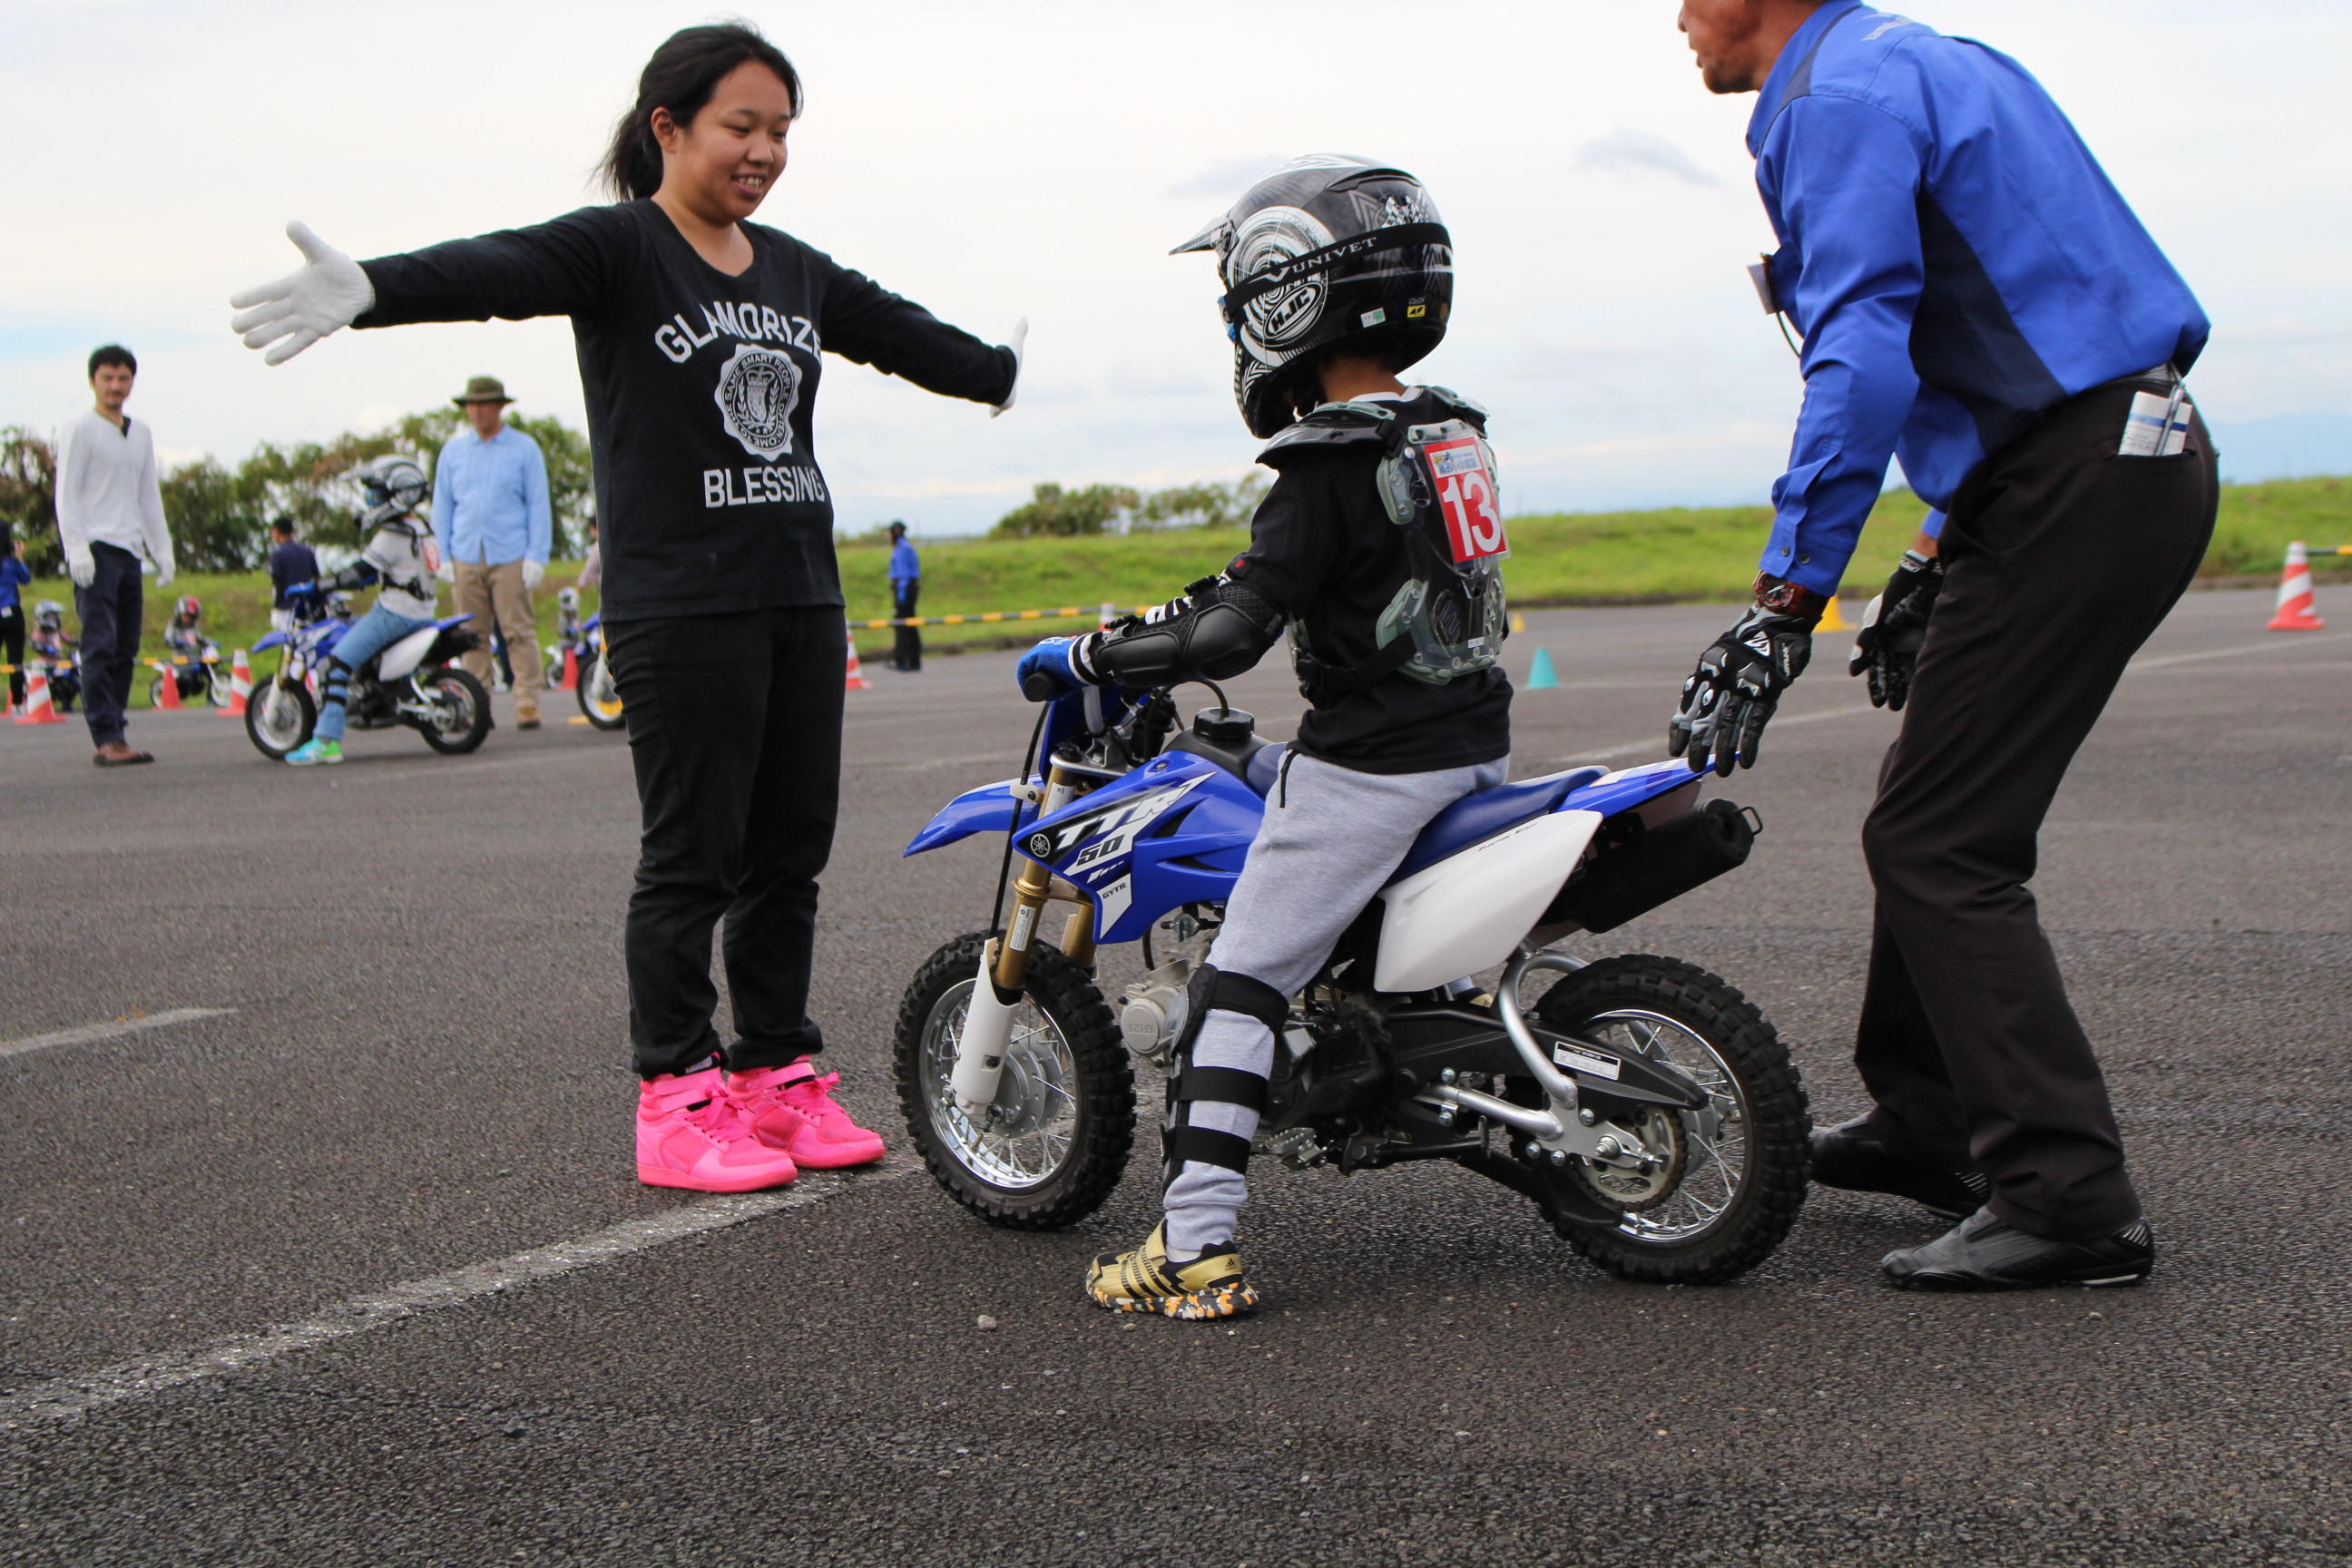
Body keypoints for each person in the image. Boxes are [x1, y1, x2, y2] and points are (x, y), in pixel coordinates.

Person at [229, 22, 1024, 1191]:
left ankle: (770, 1077)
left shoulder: (795, 269)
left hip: (800, 593)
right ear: (670, 127)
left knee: (787, 854)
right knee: (693, 857)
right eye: (741, 127)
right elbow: (498, 270)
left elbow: (898, 334)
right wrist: (374, 291)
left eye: (782, 133)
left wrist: (994, 374)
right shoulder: (620, 250)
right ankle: (674, 1095)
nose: (765, 151)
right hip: (681, 607)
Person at [1669, 0, 2216, 1290]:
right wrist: (1926, 550)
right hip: (2111, 459)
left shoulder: (1830, 103)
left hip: (2075, 483)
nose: (1677, 16)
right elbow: (2026, 327)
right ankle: (1931, 1119)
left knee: (1942, 843)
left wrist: (1784, 601)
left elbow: (1864, 354)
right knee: (1929, 813)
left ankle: (2067, 1195)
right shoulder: (1931, 62)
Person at [1016, 157, 1509, 1320]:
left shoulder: (1321, 457)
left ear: (1283, 297)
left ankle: (1194, 1250)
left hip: (1374, 768)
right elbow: (1315, 581)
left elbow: (1236, 627)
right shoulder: (1448, 429)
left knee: (1238, 983)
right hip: (1470, 742)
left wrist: (1095, 656)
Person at [282, 456, 444, 766]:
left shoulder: (392, 535)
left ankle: (326, 741)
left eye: (376, 492)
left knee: (336, 664)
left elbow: (360, 573)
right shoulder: (424, 528)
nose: (371, 499)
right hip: (423, 612)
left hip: (395, 614)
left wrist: (317, 586)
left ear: (398, 494)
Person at [55, 344, 174, 766]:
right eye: (107, 378)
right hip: (95, 550)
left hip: (129, 551)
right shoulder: (80, 430)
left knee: (126, 646)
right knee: (99, 644)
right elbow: (65, 495)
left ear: (131, 383)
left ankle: (117, 731)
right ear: (93, 381)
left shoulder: (139, 432)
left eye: (123, 378)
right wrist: (76, 549)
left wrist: (162, 549)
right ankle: (105, 737)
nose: (115, 386)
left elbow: (148, 495)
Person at [434, 376, 550, 728]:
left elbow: (538, 504)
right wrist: (443, 555)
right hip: (466, 552)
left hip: (511, 553)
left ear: (500, 406)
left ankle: (527, 701)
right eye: (473, 404)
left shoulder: (524, 448)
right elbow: (442, 505)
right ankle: (476, 702)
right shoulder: (453, 451)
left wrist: (537, 555)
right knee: (471, 635)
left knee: (518, 631)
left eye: (485, 404)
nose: (478, 410)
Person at [160, 594, 217, 701]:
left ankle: (212, 697)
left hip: (194, 658)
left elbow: (199, 638)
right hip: (181, 661)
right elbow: (167, 639)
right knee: (186, 680)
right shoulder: (173, 626)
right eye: (186, 616)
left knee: (209, 670)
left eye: (191, 617)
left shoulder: (193, 626)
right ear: (179, 614)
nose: (188, 619)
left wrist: (208, 642)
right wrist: (175, 643)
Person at [28, 601, 80, 711]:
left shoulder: (56, 631)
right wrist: (43, 648)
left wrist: (80, 643)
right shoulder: (39, 632)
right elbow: (33, 643)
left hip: (59, 663)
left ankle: (67, 704)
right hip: (46, 665)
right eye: (53, 615)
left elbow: (69, 640)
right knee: (55, 683)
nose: (56, 618)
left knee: (74, 682)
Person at [0, 524, 30, 710]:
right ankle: (18, 703)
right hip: (11, 613)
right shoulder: (11, 563)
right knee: (15, 660)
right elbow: (26, 579)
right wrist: (20, 557)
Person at [267, 515, 319, 615]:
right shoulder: (307, 551)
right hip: (308, 605)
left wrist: (276, 604)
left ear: (277, 531)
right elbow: (316, 576)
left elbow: (277, 581)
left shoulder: (277, 555)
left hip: (286, 606)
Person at [886, 519, 920, 671]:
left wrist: (901, 595)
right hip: (907, 588)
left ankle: (903, 661)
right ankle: (913, 661)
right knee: (909, 624)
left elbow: (904, 575)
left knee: (902, 625)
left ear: (896, 532)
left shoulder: (902, 548)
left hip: (904, 588)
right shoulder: (904, 546)